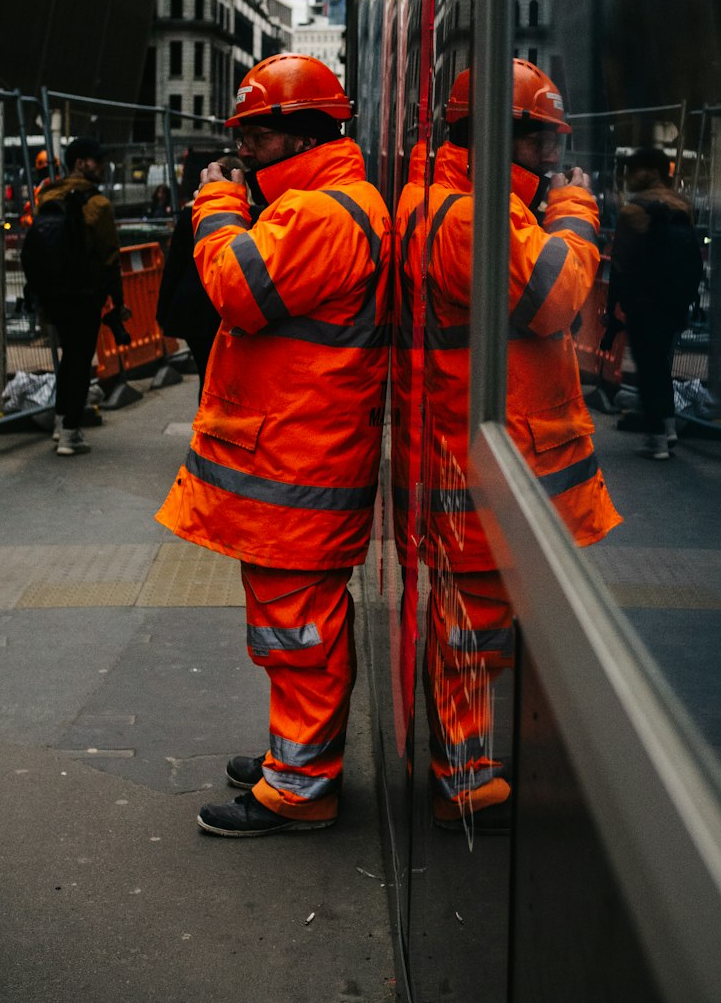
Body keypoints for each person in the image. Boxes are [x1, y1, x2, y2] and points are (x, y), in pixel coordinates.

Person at [155, 54, 392, 837]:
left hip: (300, 465)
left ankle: (301, 787)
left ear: (298, 133)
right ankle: (298, 759)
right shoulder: (320, 206)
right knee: (297, 627)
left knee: (301, 632)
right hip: (297, 460)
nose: (244, 155)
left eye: (253, 139)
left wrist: (216, 200)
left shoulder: (321, 214)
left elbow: (236, 290)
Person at [403, 60, 622, 828]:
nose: (553, 159)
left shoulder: (480, 203)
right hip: (482, 467)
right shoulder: (467, 214)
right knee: (470, 628)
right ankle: (464, 779)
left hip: (490, 459)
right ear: (498, 135)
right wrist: (578, 215)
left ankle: (470, 769)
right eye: (540, 142)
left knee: (479, 626)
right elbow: (552, 298)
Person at [29, 136, 130, 456]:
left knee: (67, 359)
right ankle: (71, 433)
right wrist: (118, 301)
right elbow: (110, 255)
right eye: (96, 161)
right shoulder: (97, 204)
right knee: (79, 360)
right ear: (80, 164)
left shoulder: (48, 194)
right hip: (84, 294)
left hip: (52, 292)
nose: (102, 166)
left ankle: (62, 425)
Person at [608, 147, 703, 460]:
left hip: (644, 302)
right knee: (661, 364)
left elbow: (621, 264)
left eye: (633, 169)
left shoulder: (634, 210)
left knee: (649, 367)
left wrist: (616, 308)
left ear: (646, 172)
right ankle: (669, 425)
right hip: (675, 301)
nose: (628, 176)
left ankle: (658, 438)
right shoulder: (682, 205)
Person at [154, 158, 244, 397]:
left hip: (193, 306)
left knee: (206, 374)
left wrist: (163, 310)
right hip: (222, 308)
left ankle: (205, 426)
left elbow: (175, 264)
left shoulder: (190, 213)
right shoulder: (246, 213)